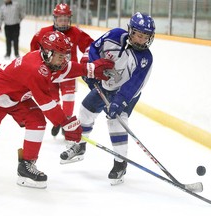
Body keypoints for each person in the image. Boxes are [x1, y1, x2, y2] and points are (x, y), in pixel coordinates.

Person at [0, 31, 114, 189]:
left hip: (18, 96)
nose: (64, 60)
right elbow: (47, 104)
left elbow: (67, 69)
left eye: (65, 55)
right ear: (48, 53)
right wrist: (65, 123)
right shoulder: (36, 70)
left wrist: (89, 69)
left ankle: (26, 166)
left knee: (37, 121)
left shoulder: (49, 61)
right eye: (60, 55)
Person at [60, 12, 156, 185]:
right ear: (131, 31)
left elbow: (134, 85)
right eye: (139, 35)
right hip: (105, 85)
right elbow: (94, 48)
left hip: (127, 94)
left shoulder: (145, 58)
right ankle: (80, 146)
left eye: (145, 37)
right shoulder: (114, 35)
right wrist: (93, 69)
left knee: (116, 122)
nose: (142, 40)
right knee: (85, 110)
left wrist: (120, 101)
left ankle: (120, 163)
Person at [30, 3, 94, 137]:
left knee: (69, 96)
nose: (63, 21)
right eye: (60, 18)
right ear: (54, 19)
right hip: (50, 73)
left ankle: (67, 122)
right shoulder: (44, 32)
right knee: (54, 99)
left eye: (66, 19)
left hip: (68, 72)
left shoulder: (76, 32)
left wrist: (86, 60)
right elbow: (34, 47)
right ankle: (58, 121)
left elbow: (91, 45)